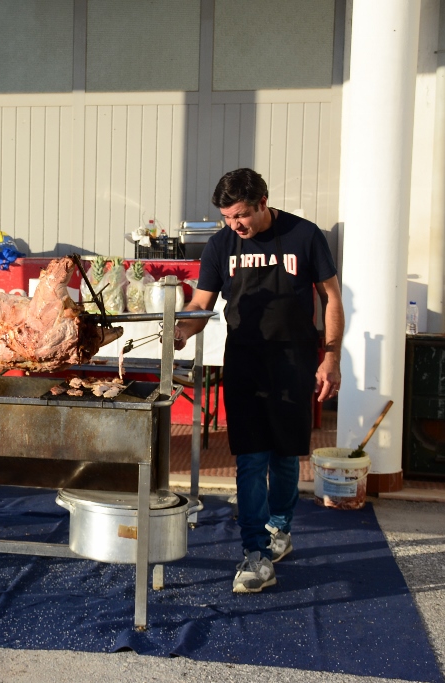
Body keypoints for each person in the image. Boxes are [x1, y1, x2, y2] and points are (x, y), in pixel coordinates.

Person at [174, 168, 344, 593]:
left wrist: (331, 356)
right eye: (228, 218)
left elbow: (332, 297)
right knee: (250, 458)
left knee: (286, 456)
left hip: (295, 359)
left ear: (263, 203)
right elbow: (200, 303)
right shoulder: (220, 245)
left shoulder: (304, 235)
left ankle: (279, 528)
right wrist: (179, 331)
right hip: (245, 361)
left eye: (241, 216)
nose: (235, 225)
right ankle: (254, 553)